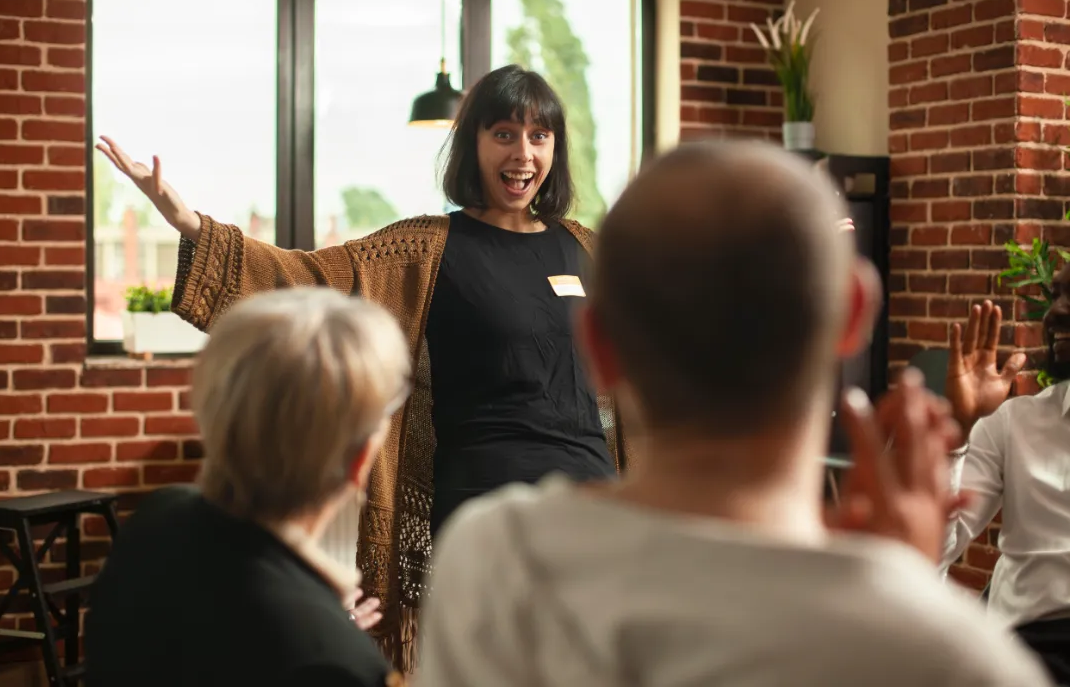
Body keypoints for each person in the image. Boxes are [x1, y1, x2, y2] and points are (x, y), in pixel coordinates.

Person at [415, 141, 1052, 687]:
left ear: (598, 349)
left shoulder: (492, 560)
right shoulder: (954, 660)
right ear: (853, 314)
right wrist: (898, 597)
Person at [95, 64, 631, 672]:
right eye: (504, 133)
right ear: (473, 145)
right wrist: (190, 224)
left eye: (539, 136)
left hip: (593, 508)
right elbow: (305, 279)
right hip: (485, 514)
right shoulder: (424, 248)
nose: (523, 153)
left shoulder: (587, 248)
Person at [85, 288, 411, 687]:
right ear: (360, 463)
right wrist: (323, 634)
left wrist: (318, 615)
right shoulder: (344, 667)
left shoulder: (155, 519)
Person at [942, 285, 1070, 684]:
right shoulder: (1015, 422)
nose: (1056, 311)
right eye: (1058, 294)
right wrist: (957, 429)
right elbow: (926, 553)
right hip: (1024, 653)